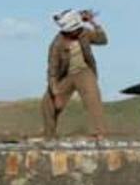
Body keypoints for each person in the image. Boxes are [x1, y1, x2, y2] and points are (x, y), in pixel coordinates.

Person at [42, 8, 109, 139]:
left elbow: (103, 40)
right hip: (65, 75)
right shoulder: (56, 45)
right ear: (67, 31)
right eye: (75, 31)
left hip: (84, 71)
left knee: (93, 97)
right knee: (47, 104)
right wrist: (56, 94)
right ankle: (49, 137)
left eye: (79, 29)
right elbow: (52, 72)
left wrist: (93, 23)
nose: (78, 32)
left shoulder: (84, 33)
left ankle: (99, 133)